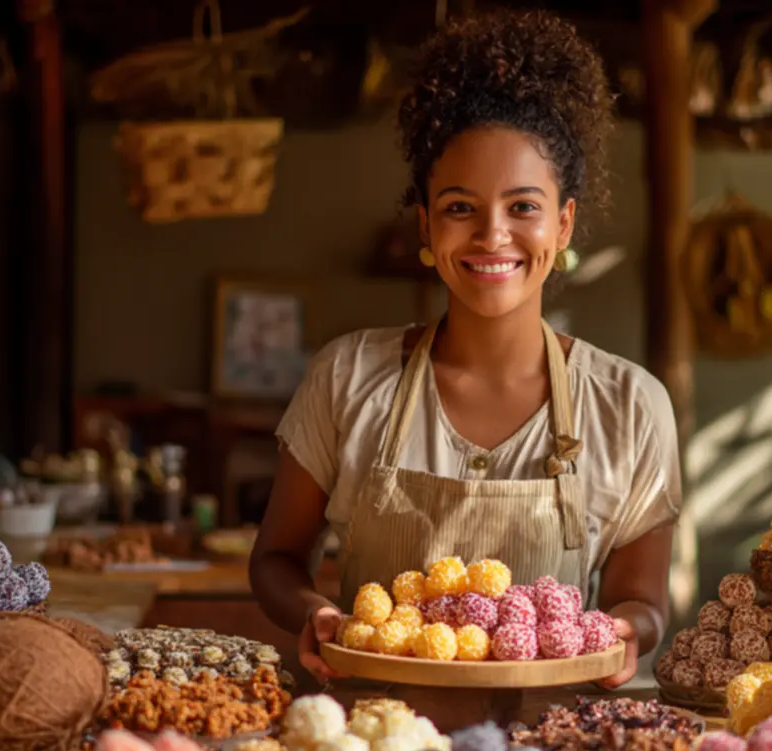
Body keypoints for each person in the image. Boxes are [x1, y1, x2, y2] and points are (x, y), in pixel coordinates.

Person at [250, 11, 681, 689]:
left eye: (522, 207)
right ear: (424, 223)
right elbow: (276, 558)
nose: (491, 235)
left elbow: (643, 600)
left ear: (563, 221)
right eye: (458, 207)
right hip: (371, 739)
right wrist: (318, 614)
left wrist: (627, 632)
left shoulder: (629, 405)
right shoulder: (348, 377)